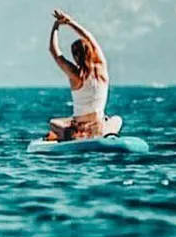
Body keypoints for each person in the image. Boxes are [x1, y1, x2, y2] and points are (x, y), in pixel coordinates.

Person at [47, 9, 122, 140]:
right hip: (98, 124)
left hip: (80, 127)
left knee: (54, 123)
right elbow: (90, 38)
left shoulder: (75, 74)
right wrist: (70, 22)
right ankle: (107, 134)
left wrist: (56, 26)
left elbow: (54, 51)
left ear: (75, 55)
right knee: (116, 119)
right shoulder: (102, 68)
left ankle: (73, 136)